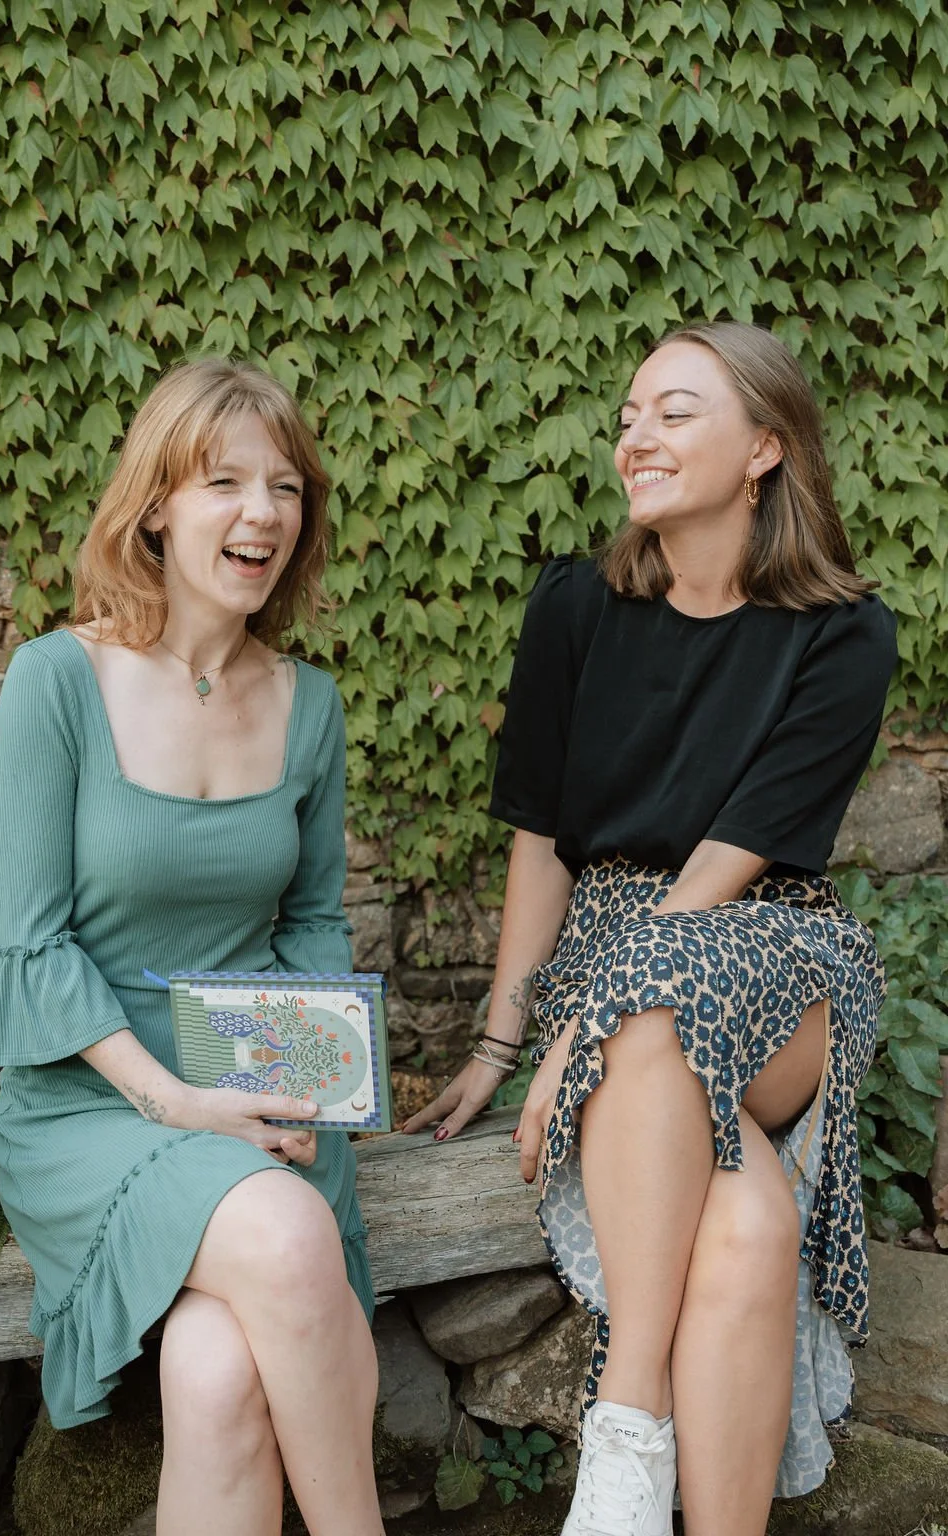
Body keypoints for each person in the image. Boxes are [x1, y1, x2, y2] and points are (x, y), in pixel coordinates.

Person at [404, 322, 897, 1536]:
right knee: (747, 1225)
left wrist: (586, 1028)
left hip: (773, 945)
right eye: (630, 413)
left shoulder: (844, 634)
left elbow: (721, 875)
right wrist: (499, 1042)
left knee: (662, 1005)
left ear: (765, 448)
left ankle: (623, 1421)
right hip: (617, 938)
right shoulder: (576, 607)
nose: (637, 435)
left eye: (675, 412)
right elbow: (541, 841)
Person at [0, 360, 385, 1536]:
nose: (262, 512)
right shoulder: (60, 680)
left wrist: (320, 1084)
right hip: (97, 1103)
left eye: (286, 487)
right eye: (224, 482)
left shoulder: (310, 705)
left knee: (216, 1375)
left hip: (257, 1083)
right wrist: (174, 1103)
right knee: (283, 1235)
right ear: (156, 504)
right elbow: (33, 944)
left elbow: (308, 923)